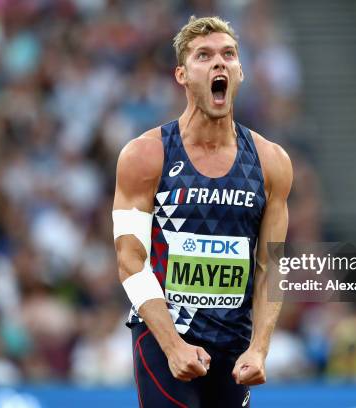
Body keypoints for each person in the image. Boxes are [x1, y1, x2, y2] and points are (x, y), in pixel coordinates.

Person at [112, 16, 293, 407]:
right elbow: (130, 261)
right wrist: (174, 345)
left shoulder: (271, 162)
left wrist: (259, 348)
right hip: (163, 337)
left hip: (233, 348)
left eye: (228, 55)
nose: (219, 64)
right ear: (181, 74)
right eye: (204, 56)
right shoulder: (145, 155)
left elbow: (271, 265)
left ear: (240, 71)